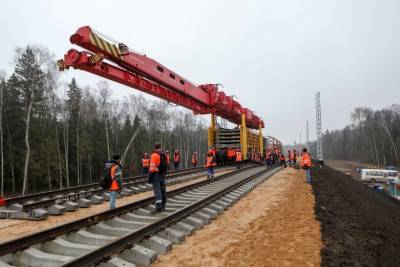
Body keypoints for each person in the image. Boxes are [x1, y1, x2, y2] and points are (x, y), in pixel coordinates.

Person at [149, 142, 168, 212]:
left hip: (156, 175)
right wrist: (164, 174)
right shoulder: (164, 154)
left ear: (154, 147)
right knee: (163, 191)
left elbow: (152, 168)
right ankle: (163, 206)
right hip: (162, 174)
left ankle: (158, 207)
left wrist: (150, 178)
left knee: (157, 191)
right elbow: (166, 166)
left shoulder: (154, 155)